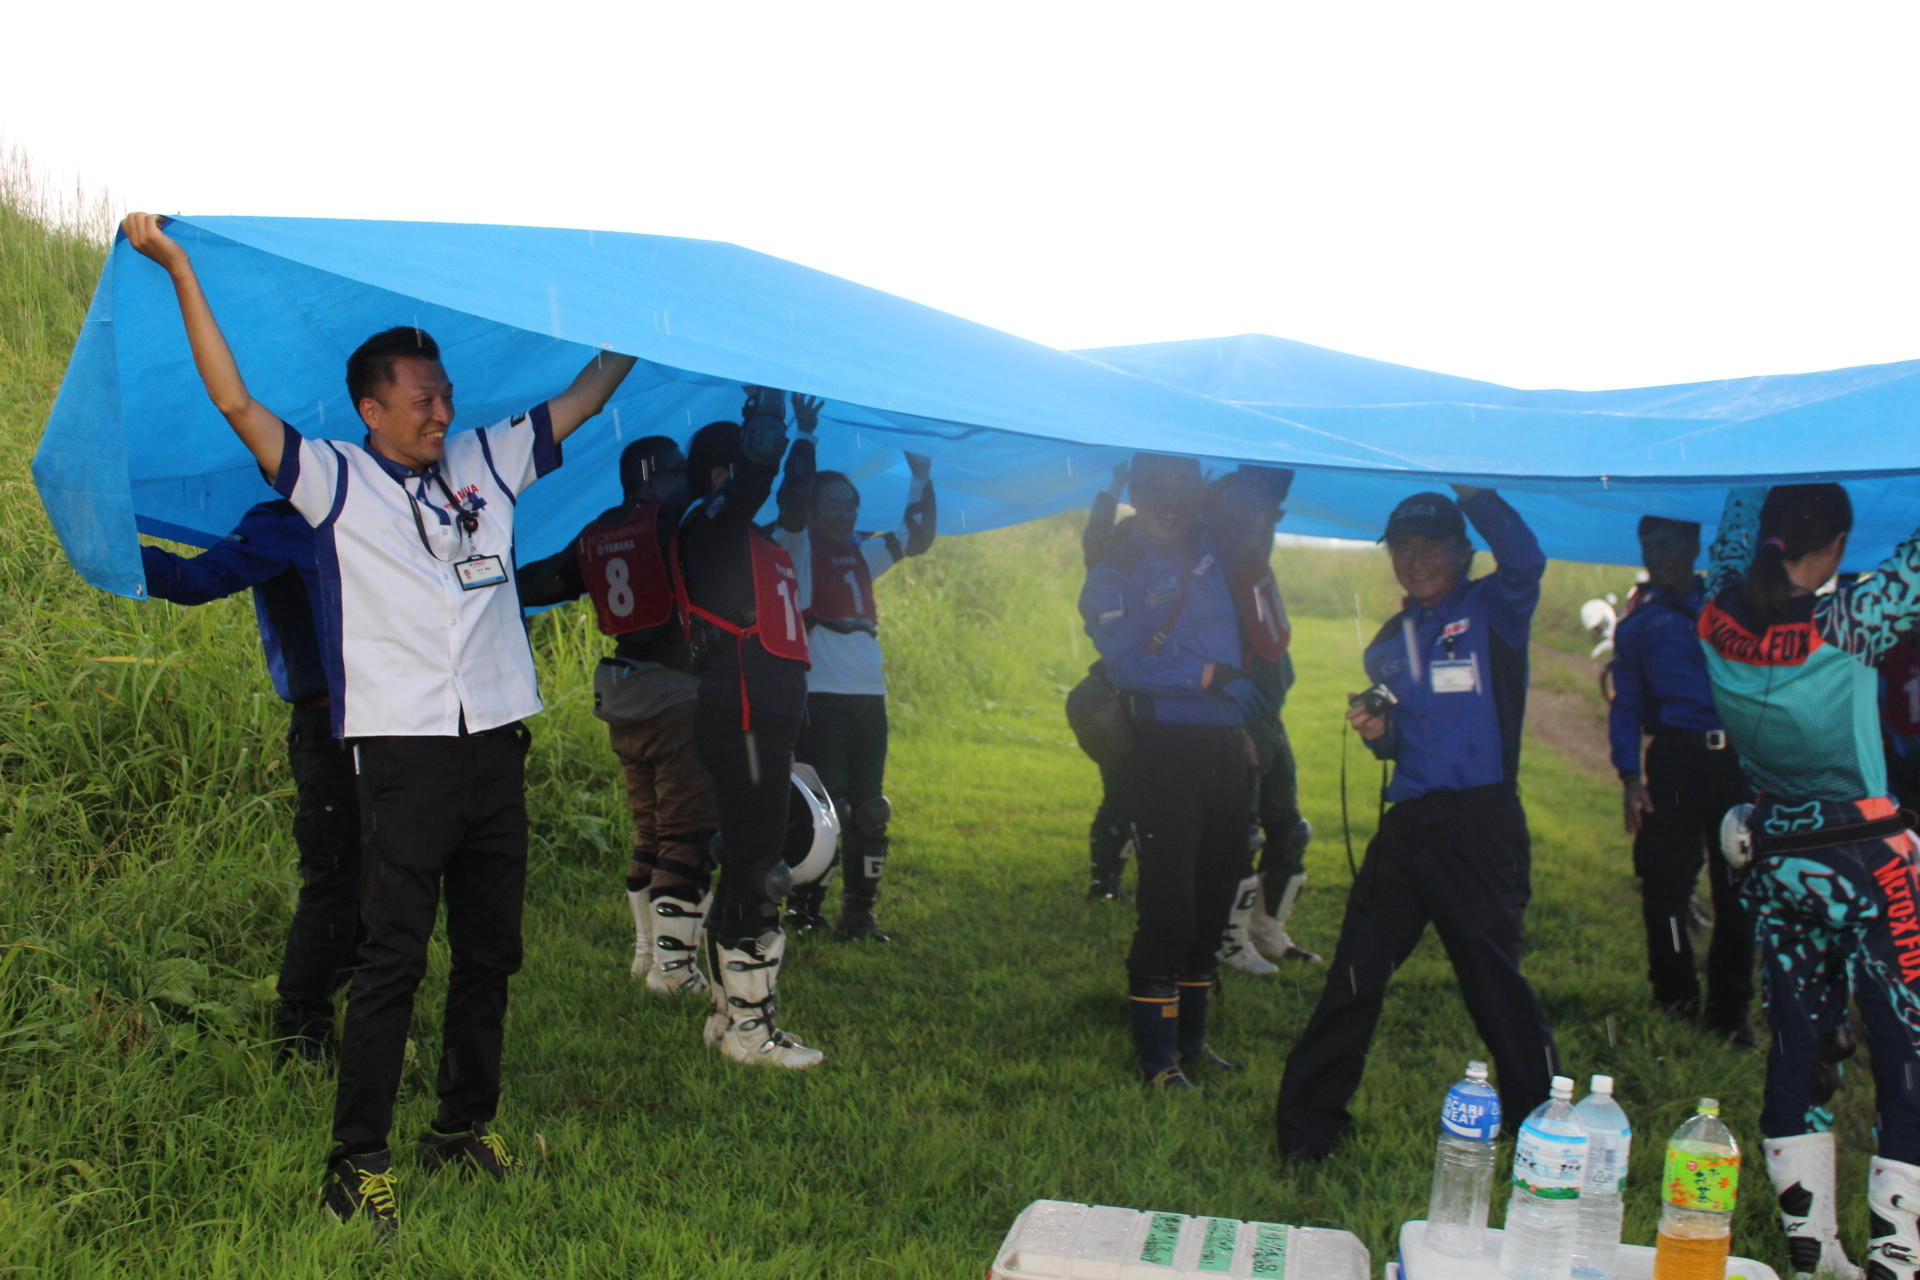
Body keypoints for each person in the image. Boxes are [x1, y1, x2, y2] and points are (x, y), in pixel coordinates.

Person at [122, 212, 637, 1235]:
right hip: (399, 756)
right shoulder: (333, 481)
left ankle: (462, 1125)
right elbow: (232, 400)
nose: (443, 406)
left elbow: (585, 394)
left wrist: (644, 319)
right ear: (372, 407)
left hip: (495, 742)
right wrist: (179, 266)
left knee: (492, 950)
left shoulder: (489, 463)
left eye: (444, 390)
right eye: (422, 396)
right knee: (391, 955)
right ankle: (357, 1159)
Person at [1275, 486, 1558, 1158]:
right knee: (1353, 974)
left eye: (1432, 544)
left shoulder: (1493, 609)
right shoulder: (1387, 646)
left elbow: (1526, 560)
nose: (1416, 559)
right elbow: (1402, 740)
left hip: (1481, 823)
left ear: (1462, 552)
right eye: (1403, 547)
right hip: (1409, 827)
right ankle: (1308, 1132)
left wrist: (1475, 491)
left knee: (1495, 987)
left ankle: (1544, 1133)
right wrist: (1378, 733)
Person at [1699, 483, 1920, 1280]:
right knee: (1905, 1053)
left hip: (1778, 858)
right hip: (1868, 859)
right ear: (1832, 549)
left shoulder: (1715, 611)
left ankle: (1812, 1249)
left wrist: (1770, 457)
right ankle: (1899, 1258)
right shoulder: (1851, 623)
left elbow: (1730, 533)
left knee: (1799, 1048)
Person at [141, 501, 362, 1062]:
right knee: (334, 880)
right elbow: (197, 579)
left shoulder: (378, 503)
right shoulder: (279, 525)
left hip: (403, 725)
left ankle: (372, 1006)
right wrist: (111, 551)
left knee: (391, 874)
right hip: (329, 728)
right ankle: (301, 1033)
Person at [1079, 453, 1261, 1088]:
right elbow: (1124, 663)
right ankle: (1155, 1057)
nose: (1172, 500)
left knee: (1216, 893)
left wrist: (1239, 729)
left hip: (1222, 744)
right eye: (1158, 488)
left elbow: (1255, 493)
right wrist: (1206, 676)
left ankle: (1192, 1040)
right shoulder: (1114, 569)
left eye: (1185, 487)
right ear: (1135, 494)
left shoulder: (1211, 542)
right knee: (1170, 905)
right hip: (1163, 748)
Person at [518, 437, 716, 995]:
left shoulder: (600, 531)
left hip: (623, 700)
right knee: (687, 834)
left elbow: (546, 582)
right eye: (681, 470)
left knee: (650, 831)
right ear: (653, 476)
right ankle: (674, 974)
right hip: (676, 697)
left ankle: (646, 953)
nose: (692, 477)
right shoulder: (677, 523)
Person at [675, 387, 824, 1068]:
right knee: (762, 868)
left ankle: (727, 1019)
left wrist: (804, 436)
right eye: (738, 464)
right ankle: (750, 1032)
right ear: (719, 472)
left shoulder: (751, 536)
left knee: (746, 861)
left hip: (763, 715)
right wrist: (762, 416)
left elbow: (791, 499)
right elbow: (758, 477)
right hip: (742, 716)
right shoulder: (710, 525)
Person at [777, 450, 937, 940]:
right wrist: (803, 437)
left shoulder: (863, 554)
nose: (843, 511)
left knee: (871, 809)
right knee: (832, 808)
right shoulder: (797, 549)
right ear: (813, 507)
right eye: (832, 503)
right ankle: (805, 910)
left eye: (850, 503)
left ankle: (860, 916)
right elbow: (792, 505)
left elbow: (918, 535)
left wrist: (921, 477)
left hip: (870, 696)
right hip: (820, 696)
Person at [1609, 515, 1754, 1043]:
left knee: (1738, 891)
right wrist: (1630, 776)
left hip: (1736, 764)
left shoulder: (1731, 606)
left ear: (1695, 546)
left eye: (1671, 545)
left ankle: (1729, 1014)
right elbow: (1624, 707)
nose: (1660, 555)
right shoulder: (1639, 625)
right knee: (1665, 888)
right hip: (1672, 761)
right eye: (1650, 546)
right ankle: (1674, 999)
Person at [1205, 465, 1319, 973]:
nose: (1259, 522)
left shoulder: (1256, 563)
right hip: (1231, 720)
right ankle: (1225, 939)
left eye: (1269, 513)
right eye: (1249, 512)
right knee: (1239, 832)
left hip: (1270, 716)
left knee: (1288, 828)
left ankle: (1268, 932)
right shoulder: (1213, 564)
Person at [1081, 462, 1137, 903]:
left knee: (1125, 789)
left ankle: (1108, 878)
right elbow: (1097, 532)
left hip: (1125, 695)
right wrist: (1114, 485)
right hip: (1119, 698)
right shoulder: (1109, 571)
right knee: (1123, 788)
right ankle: (1105, 880)